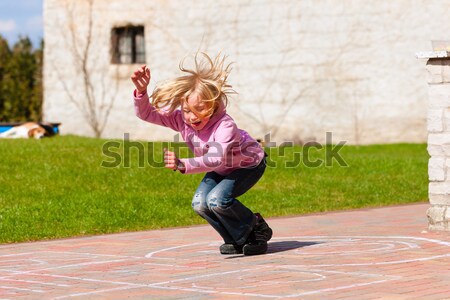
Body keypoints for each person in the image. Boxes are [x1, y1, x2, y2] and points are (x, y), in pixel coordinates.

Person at [131, 53, 272, 255]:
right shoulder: (181, 119)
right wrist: (141, 91)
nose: (191, 116)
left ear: (213, 105)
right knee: (200, 203)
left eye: (200, 109)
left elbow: (215, 158)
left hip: (248, 165)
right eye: (187, 110)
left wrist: (182, 164)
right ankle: (235, 238)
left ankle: (256, 228)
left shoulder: (225, 125)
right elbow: (147, 114)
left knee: (216, 200)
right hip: (221, 168)